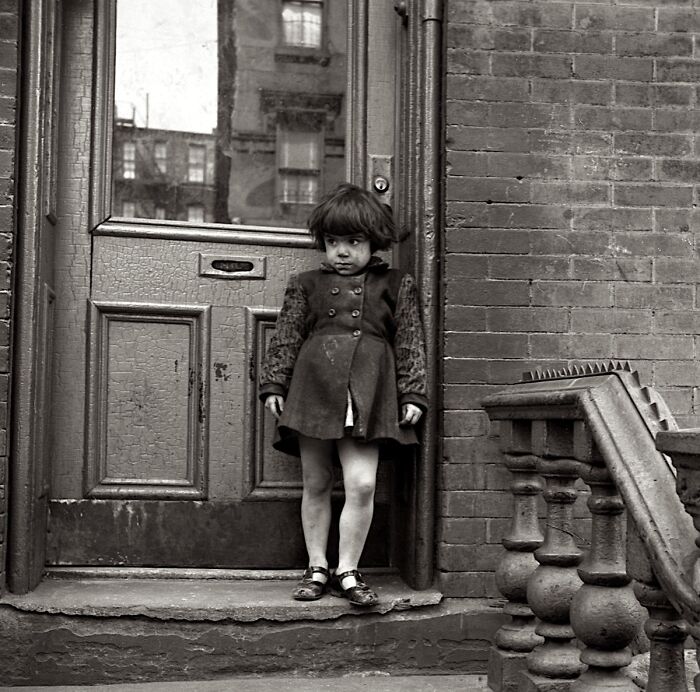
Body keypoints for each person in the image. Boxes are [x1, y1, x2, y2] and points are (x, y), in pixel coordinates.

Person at [259, 183, 427, 607]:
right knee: (316, 480)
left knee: (363, 483)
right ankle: (317, 566)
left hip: (369, 391)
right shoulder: (306, 284)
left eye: (354, 242)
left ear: (374, 242)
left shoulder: (395, 284)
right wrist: (274, 382)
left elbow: (409, 339)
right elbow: (287, 336)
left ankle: (348, 570)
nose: (343, 252)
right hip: (314, 387)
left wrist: (413, 392)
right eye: (334, 242)